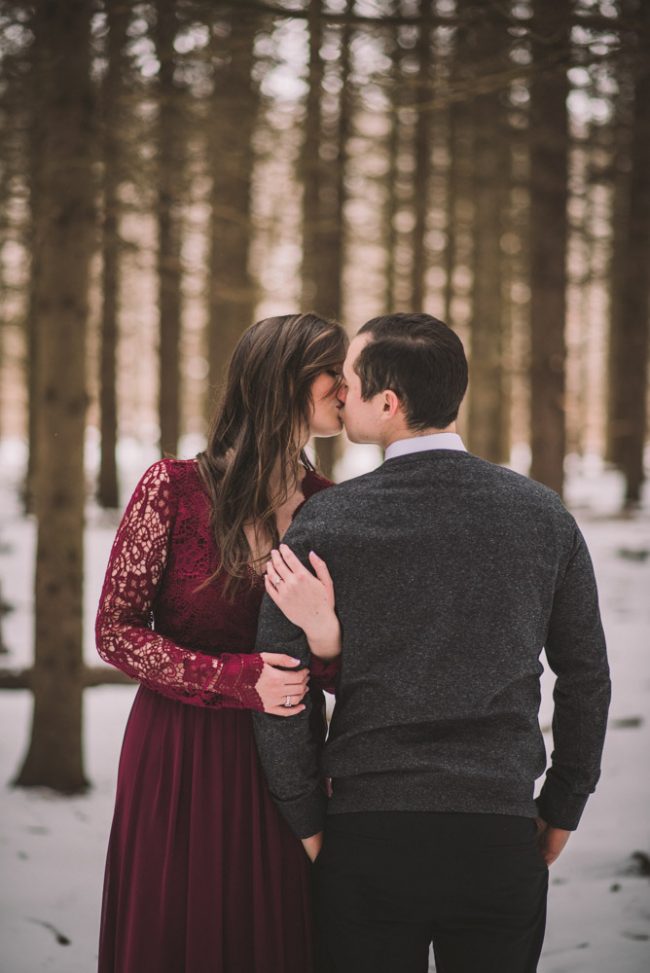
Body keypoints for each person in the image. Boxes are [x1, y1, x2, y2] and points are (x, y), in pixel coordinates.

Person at [252, 312, 611, 973]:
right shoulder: (542, 515)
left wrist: (306, 818)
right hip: (498, 833)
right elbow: (586, 674)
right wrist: (564, 803)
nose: (340, 393)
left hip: (367, 836)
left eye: (351, 382)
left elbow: (281, 684)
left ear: (387, 403)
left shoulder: (325, 520)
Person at [95, 312, 347, 973]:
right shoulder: (171, 488)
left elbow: (353, 664)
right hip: (179, 754)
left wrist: (325, 648)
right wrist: (240, 680)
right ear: (287, 381)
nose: (347, 386)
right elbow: (115, 630)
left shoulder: (334, 506)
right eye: (333, 371)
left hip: (288, 765)